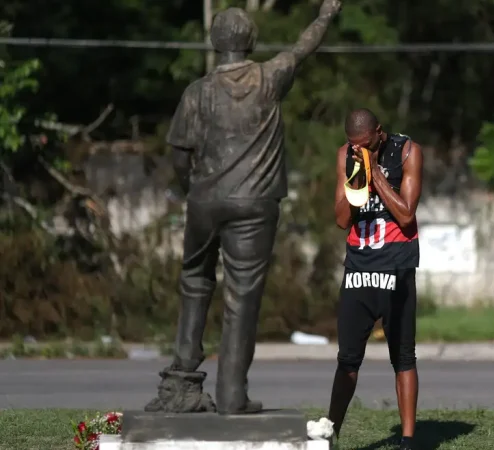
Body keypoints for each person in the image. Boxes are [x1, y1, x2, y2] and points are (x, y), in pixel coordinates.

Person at [145, 2, 341, 415]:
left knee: (194, 280)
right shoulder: (269, 77)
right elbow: (304, 47)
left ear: (215, 44)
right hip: (254, 204)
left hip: (204, 200)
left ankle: (181, 379)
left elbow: (179, 154)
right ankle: (232, 393)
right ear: (250, 41)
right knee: (242, 296)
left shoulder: (197, 92)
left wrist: (193, 189)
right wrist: (325, 15)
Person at [326, 108, 423, 449]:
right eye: (355, 145)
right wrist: (358, 178)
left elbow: (406, 215)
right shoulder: (346, 155)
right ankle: (330, 434)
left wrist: (377, 177)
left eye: (366, 145)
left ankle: (407, 440)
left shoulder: (408, 151)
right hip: (359, 267)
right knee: (348, 360)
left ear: (379, 133)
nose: (360, 150)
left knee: (404, 357)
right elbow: (342, 220)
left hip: (397, 267)